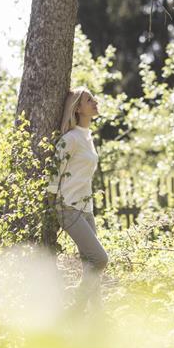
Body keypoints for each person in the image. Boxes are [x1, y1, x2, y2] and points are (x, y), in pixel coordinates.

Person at [46, 86, 108, 317]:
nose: (95, 102)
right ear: (78, 108)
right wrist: (55, 209)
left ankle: (98, 318)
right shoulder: (70, 139)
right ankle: (75, 310)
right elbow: (54, 175)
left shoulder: (87, 137)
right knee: (100, 259)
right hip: (68, 208)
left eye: (93, 99)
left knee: (91, 265)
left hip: (85, 208)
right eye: (89, 100)